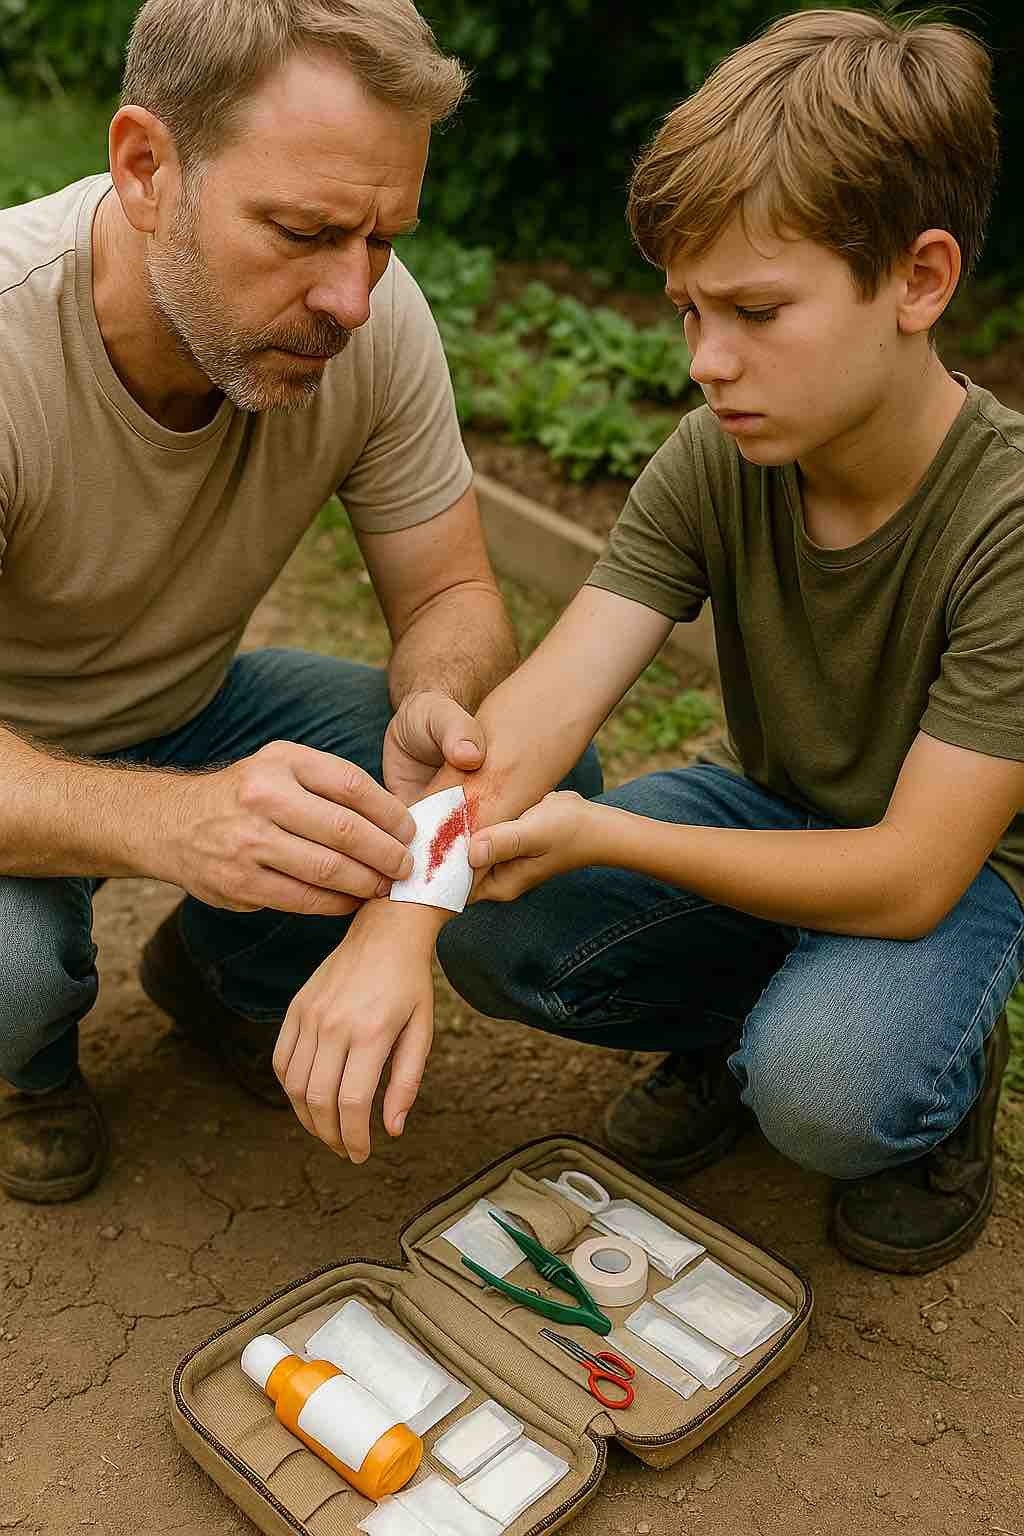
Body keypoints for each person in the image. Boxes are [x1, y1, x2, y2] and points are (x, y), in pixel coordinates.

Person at [278, 8, 1024, 1276]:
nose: (706, 362)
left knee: (828, 1090)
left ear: (918, 280)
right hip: (768, 816)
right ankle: (741, 1023)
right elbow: (543, 709)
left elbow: (909, 874)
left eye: (753, 310)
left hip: (942, 888)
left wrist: (609, 832)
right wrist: (399, 921)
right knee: (486, 924)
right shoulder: (716, 458)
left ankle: (928, 1100)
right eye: (686, 312)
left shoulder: (1003, 518)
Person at [0, 0, 567, 1205]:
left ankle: (220, 980)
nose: (352, 299)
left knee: (529, 780)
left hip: (192, 705)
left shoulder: (369, 322)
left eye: (383, 240)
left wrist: (436, 692)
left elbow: (457, 589)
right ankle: (31, 1067)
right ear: (147, 166)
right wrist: (175, 825)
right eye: (305, 231)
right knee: (8, 973)